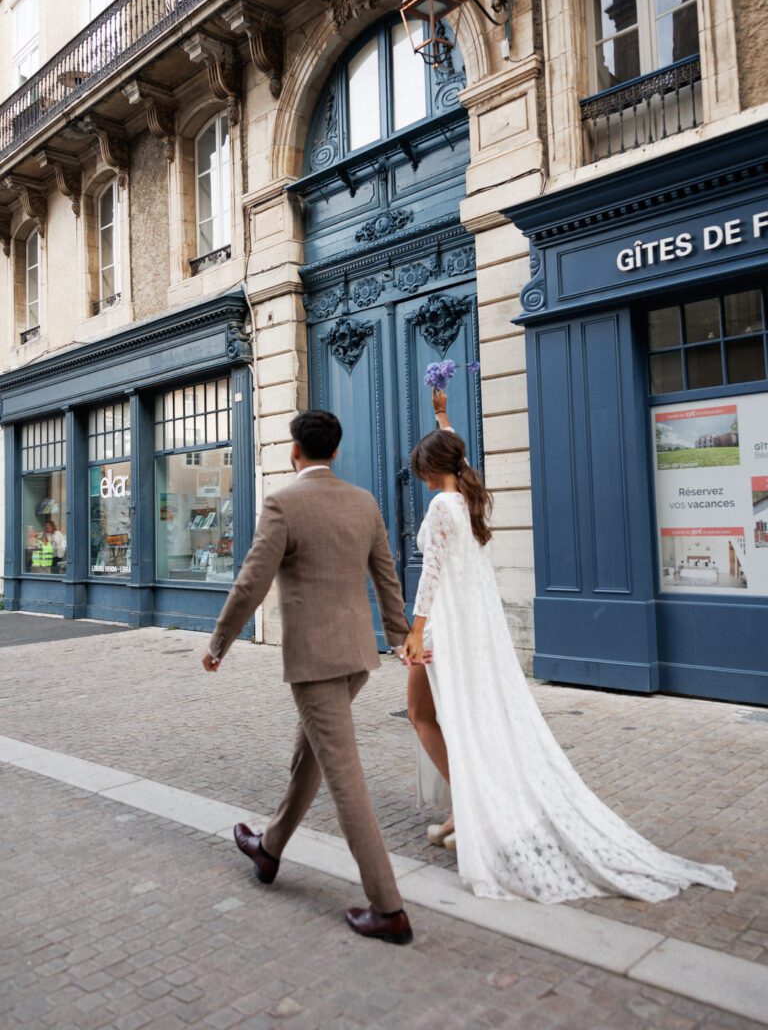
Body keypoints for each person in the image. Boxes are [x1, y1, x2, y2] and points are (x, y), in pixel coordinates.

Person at [401, 388, 736, 904]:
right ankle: (465, 808)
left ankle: (472, 809)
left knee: (424, 714)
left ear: (429, 469)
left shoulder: (444, 504)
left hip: (445, 626)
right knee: (436, 713)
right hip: (466, 626)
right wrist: (443, 417)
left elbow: (431, 574)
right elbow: (456, 453)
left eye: (421, 466)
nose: (420, 475)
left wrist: (416, 629)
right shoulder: (467, 494)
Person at [202, 410, 414, 944]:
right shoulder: (363, 502)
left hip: (315, 663)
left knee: (344, 777)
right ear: (335, 452)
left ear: (294, 450)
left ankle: (388, 908)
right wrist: (398, 635)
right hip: (355, 657)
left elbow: (251, 582)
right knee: (311, 757)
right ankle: (269, 849)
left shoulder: (283, 503)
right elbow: (386, 574)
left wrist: (219, 642)